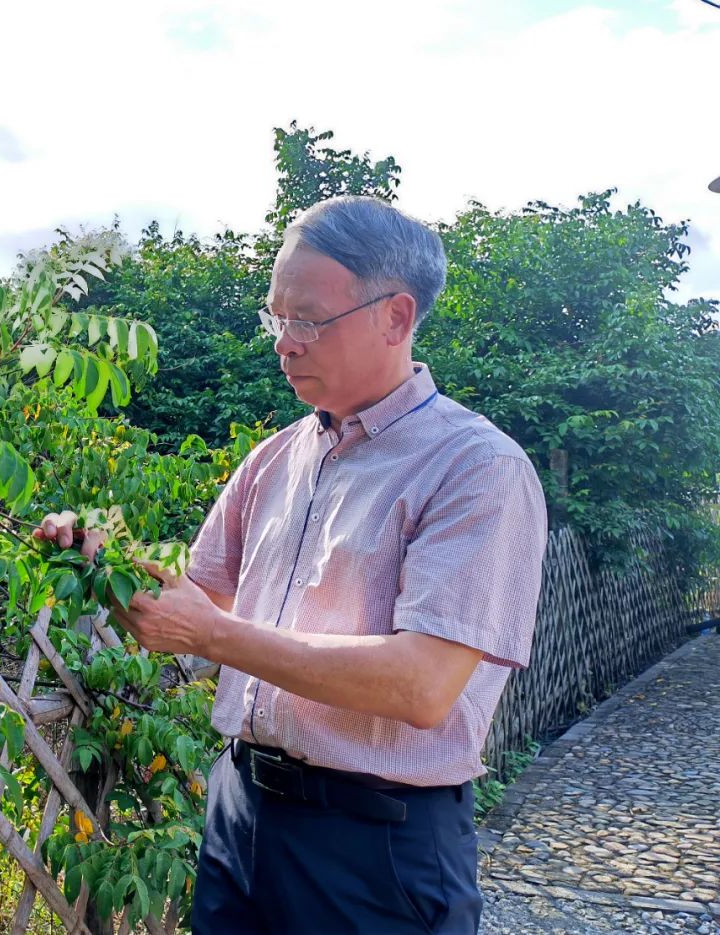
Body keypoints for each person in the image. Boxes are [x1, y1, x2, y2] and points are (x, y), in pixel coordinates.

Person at [35, 195, 548, 935]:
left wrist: (212, 635)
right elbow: (190, 607)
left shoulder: (476, 468)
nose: (284, 343)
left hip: (375, 848)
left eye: (307, 320)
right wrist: (102, 568)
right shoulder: (274, 458)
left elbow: (423, 683)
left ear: (396, 317)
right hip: (241, 813)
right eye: (275, 318)